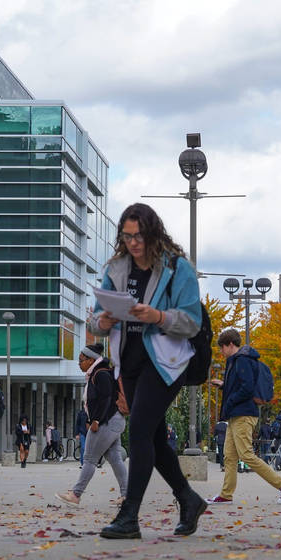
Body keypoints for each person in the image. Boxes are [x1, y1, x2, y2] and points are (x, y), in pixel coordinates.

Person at [88, 202, 206, 539]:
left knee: (138, 430)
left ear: (152, 232)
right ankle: (188, 499)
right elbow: (95, 319)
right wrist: (103, 320)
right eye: (127, 236)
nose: (133, 243)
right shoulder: (117, 268)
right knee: (152, 436)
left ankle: (130, 516)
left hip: (166, 361)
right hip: (130, 361)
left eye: (138, 235)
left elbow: (192, 320)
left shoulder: (176, 267)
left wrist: (159, 317)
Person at [206, 328, 281, 506]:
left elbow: (247, 388)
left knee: (246, 455)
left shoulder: (242, 360)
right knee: (229, 456)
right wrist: (223, 386)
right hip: (236, 415)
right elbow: (240, 385)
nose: (221, 352)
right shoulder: (236, 361)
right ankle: (226, 494)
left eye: (222, 348)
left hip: (243, 414)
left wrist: (229, 402)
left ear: (230, 344)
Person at [55, 343, 128, 507]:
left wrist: (95, 420)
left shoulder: (100, 374)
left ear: (90, 360)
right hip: (114, 421)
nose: (79, 363)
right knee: (116, 459)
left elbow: (106, 399)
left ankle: (75, 494)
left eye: (81, 360)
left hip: (107, 422)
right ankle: (127, 496)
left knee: (89, 458)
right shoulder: (100, 372)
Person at [75, 403, 88, 468]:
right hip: (82, 433)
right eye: (85, 404)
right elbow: (77, 424)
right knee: (83, 448)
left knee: (90, 449)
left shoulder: (92, 412)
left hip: (91, 433)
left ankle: (90, 463)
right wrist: (77, 433)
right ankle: (83, 464)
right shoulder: (81, 413)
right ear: (83, 405)